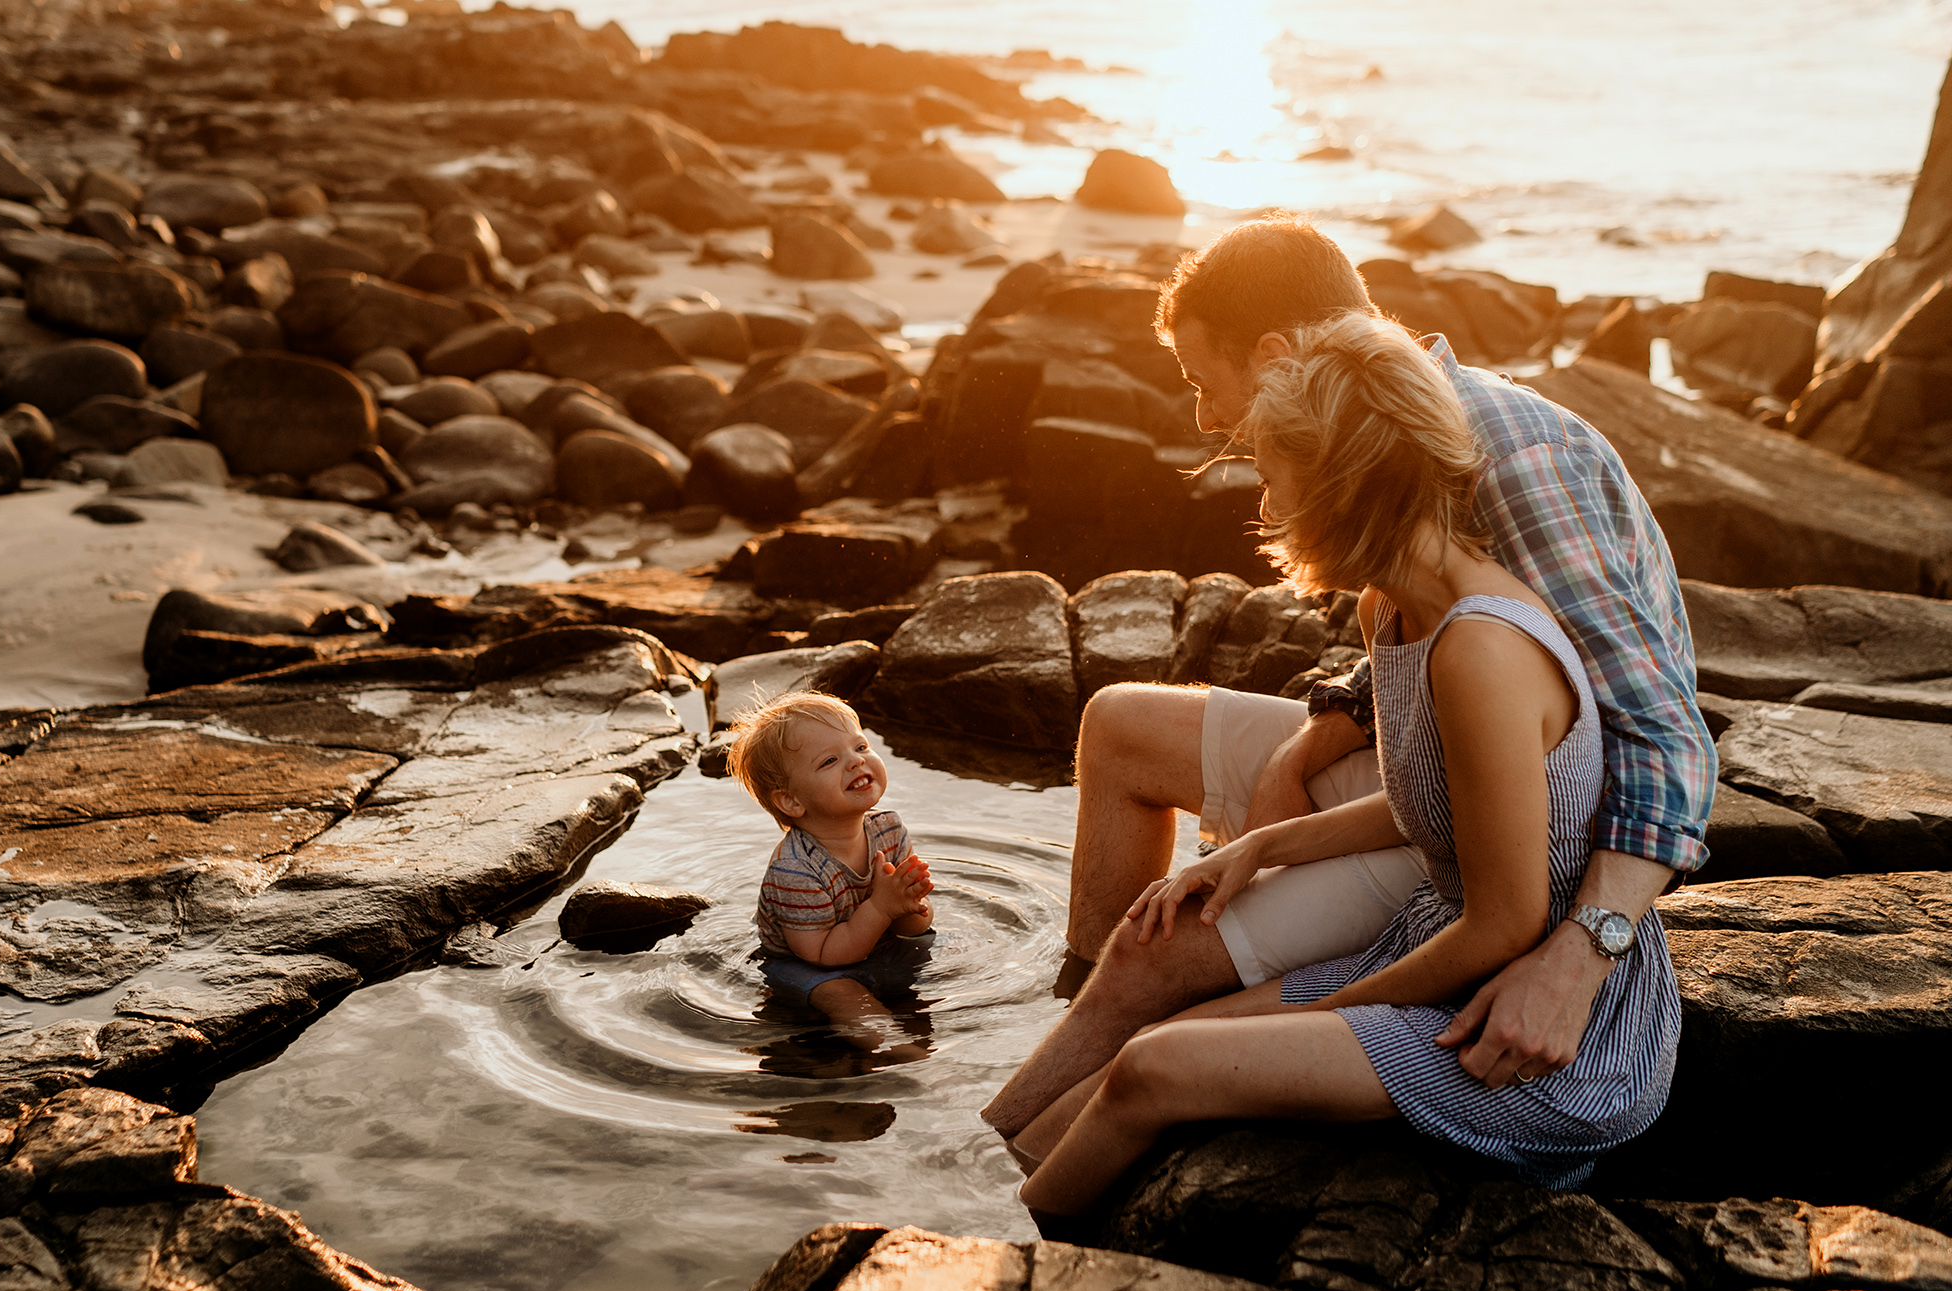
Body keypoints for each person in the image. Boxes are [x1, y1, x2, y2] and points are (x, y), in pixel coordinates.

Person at [981, 212, 1714, 1141]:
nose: (1204, 419)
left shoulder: (1516, 457)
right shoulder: (1357, 426)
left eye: (1207, 384)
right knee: (1121, 726)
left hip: (1506, 828)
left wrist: (1583, 951)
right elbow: (1415, 651)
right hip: (1425, 760)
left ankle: (1022, 1124)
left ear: (1278, 351)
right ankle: (1076, 1036)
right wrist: (1315, 736)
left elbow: (1663, 734)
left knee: (1155, 955)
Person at [727, 691, 935, 1052]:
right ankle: (901, 1054)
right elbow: (824, 955)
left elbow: (916, 926)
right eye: (830, 761)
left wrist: (911, 905)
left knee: (925, 948)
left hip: (876, 948)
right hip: (805, 966)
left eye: (861, 746)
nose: (856, 762)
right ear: (791, 801)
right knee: (840, 992)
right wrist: (883, 907)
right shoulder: (795, 869)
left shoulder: (889, 829)